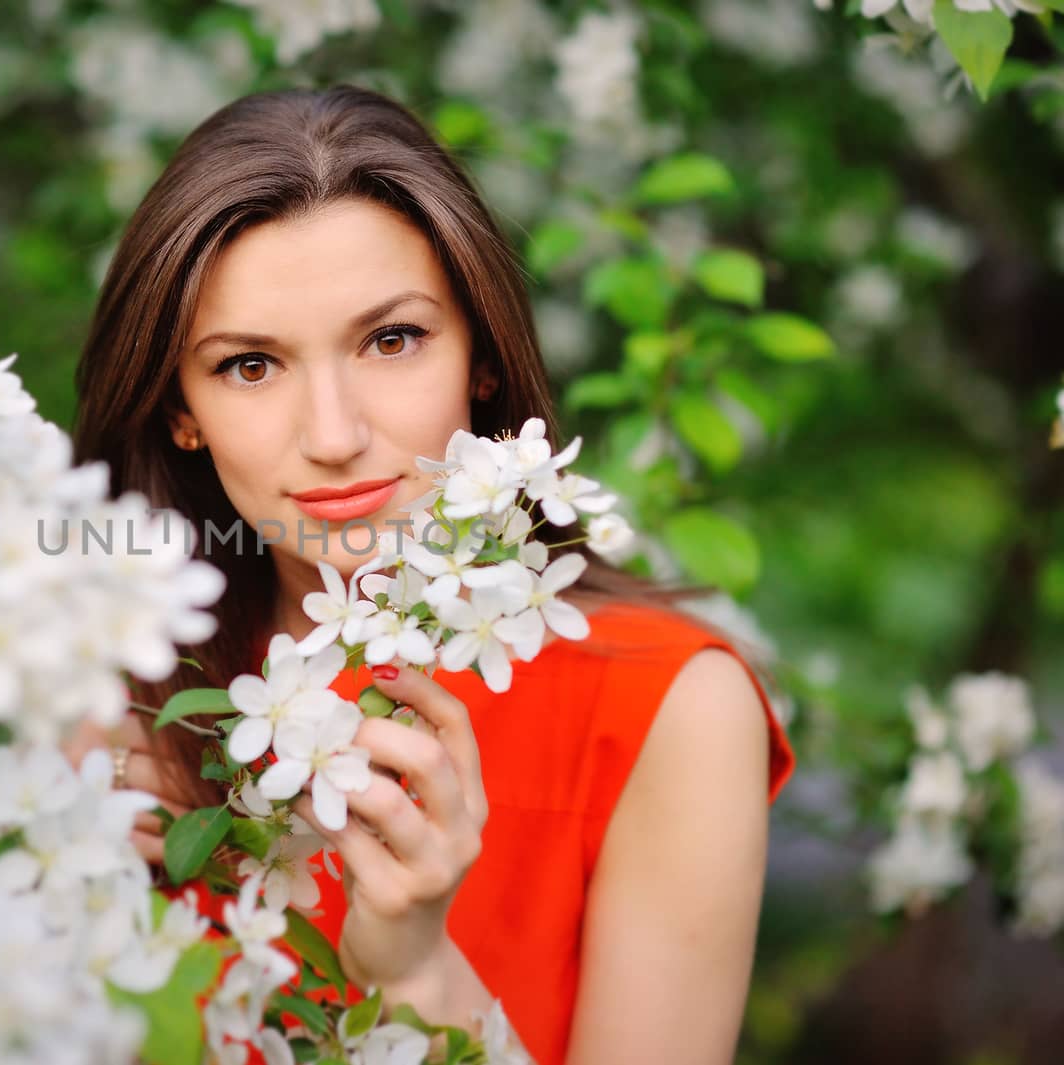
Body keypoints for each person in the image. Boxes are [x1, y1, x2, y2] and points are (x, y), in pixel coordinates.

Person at [67, 85, 795, 1065]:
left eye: (391, 340)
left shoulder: (667, 705)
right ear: (177, 409)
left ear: (482, 361)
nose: (333, 436)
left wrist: (413, 974)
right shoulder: (92, 687)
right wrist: (47, 863)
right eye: (249, 365)